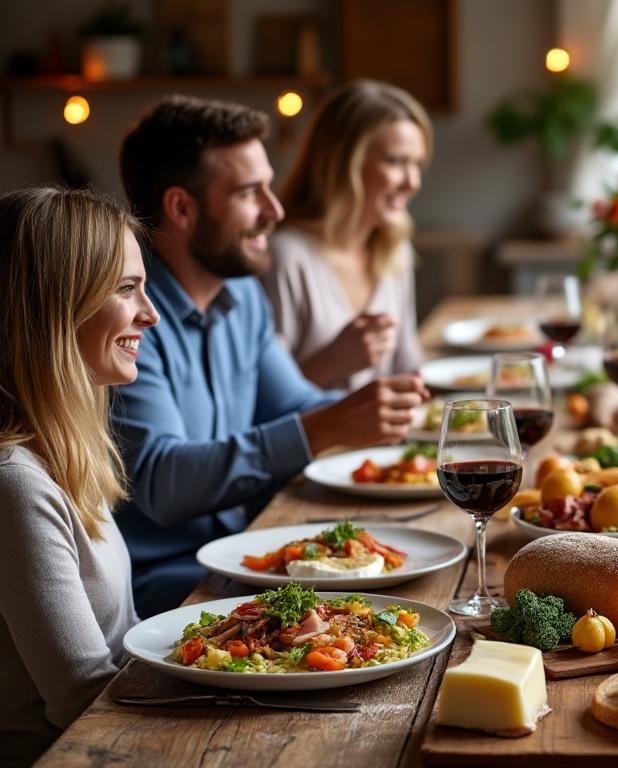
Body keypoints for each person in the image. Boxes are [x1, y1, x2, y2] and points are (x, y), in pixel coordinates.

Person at [115, 96, 430, 616]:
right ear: (182, 208)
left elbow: (296, 403)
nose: (275, 209)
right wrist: (323, 426)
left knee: (409, 574)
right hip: (167, 583)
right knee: (394, 610)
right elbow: (161, 482)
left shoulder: (240, 300)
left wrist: (376, 411)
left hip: (242, 551)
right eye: (248, 192)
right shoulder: (129, 317)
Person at [0, 187, 159, 764]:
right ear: (56, 304)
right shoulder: (15, 482)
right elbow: (83, 700)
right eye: (126, 288)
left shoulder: (63, 453)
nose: (151, 313)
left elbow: (127, 637)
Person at [264, 79, 430, 390]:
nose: (413, 182)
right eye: (396, 161)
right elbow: (261, 404)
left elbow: (408, 366)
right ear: (343, 163)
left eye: (417, 164)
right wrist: (330, 363)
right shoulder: (285, 257)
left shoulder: (393, 247)